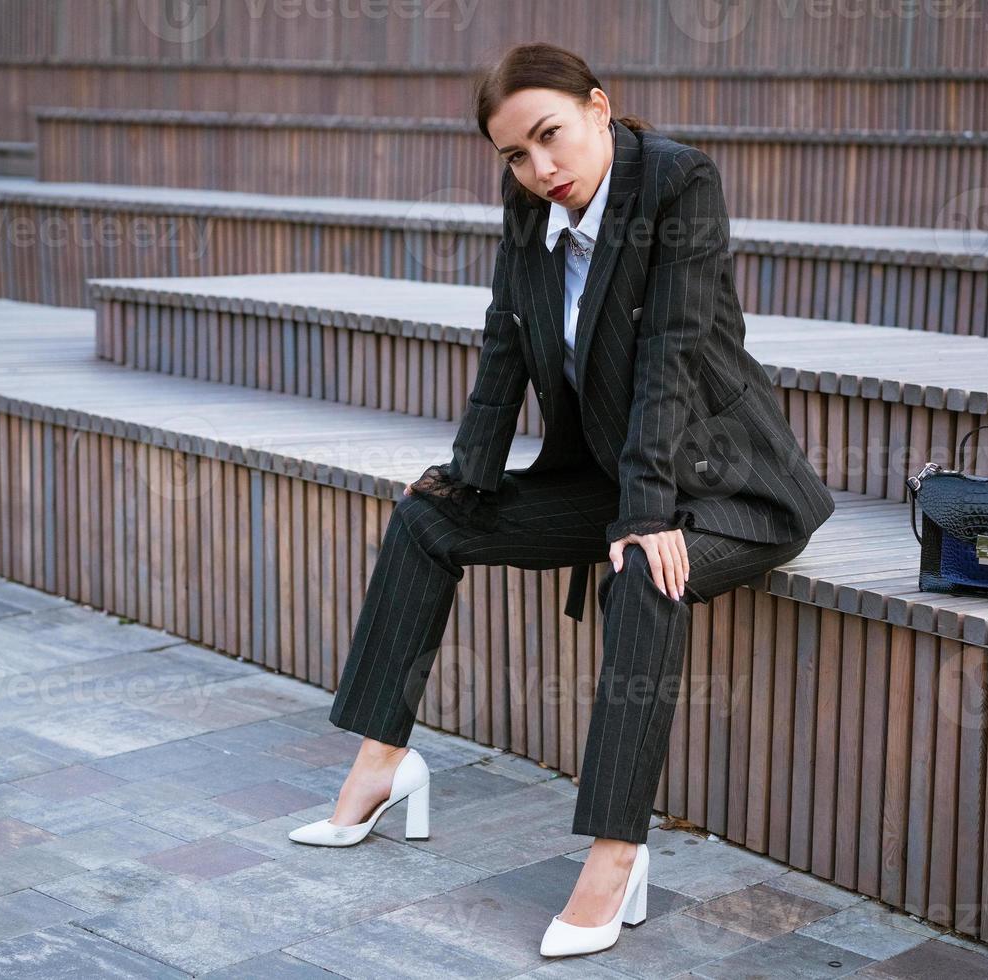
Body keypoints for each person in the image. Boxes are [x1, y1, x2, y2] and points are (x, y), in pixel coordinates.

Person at [287, 41, 835, 957]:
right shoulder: (529, 207)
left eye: (549, 137)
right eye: (514, 154)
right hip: (617, 476)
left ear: (598, 108)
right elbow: (505, 341)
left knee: (642, 575)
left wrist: (646, 516)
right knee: (428, 520)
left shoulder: (677, 184)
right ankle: (383, 763)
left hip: (729, 486)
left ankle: (616, 853)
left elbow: (668, 350)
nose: (540, 169)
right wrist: (468, 471)